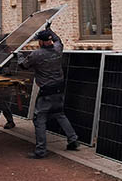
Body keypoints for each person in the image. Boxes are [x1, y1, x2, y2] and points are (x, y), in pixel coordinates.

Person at [17, 27, 78, 159]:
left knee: (39, 120)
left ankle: (40, 150)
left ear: (43, 42)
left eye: (39, 40)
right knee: (59, 113)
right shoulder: (58, 49)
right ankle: (73, 140)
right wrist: (50, 30)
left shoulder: (37, 54)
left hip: (46, 92)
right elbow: (58, 40)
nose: (38, 42)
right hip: (59, 89)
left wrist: (18, 53)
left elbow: (23, 65)